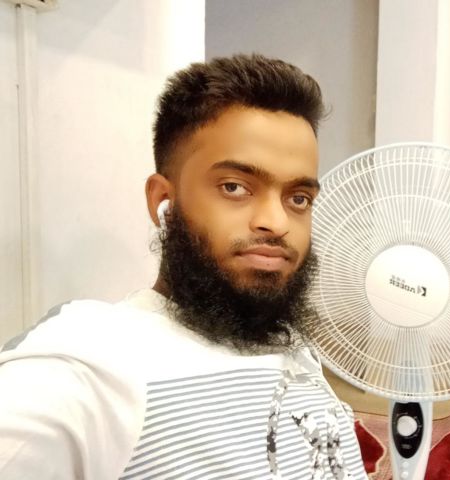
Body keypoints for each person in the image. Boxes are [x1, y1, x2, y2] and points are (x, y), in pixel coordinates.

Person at [0, 54, 367, 479]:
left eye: (298, 198)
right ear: (164, 201)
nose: (277, 222)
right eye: (235, 187)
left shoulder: (290, 348)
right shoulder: (93, 363)